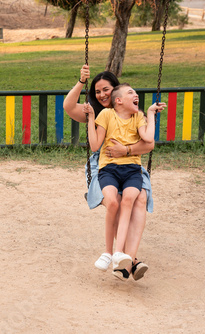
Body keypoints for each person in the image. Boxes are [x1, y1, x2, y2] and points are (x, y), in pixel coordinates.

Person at [63, 65, 153, 281]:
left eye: (106, 89)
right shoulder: (98, 114)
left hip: (130, 163)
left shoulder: (133, 113)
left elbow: (149, 145)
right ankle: (126, 259)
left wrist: (126, 150)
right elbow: (68, 106)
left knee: (141, 197)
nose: (102, 94)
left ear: (116, 92)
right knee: (118, 199)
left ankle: (127, 259)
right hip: (104, 165)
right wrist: (81, 81)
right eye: (97, 91)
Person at [86, 82, 166, 280]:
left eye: (136, 92)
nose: (136, 95)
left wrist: (150, 114)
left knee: (132, 199)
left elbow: (148, 139)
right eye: (131, 92)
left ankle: (124, 257)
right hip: (109, 169)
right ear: (119, 100)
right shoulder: (105, 115)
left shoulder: (138, 117)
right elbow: (95, 145)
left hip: (131, 169)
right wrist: (89, 117)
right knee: (114, 201)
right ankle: (115, 254)